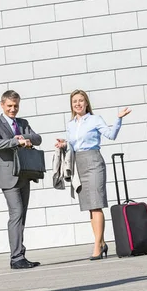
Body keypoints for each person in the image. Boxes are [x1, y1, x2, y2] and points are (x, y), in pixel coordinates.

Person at [55, 90, 131, 260]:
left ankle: (97, 245)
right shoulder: (71, 124)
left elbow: (111, 135)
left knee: (96, 204)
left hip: (94, 161)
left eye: (81, 100)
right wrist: (63, 144)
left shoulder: (95, 119)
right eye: (75, 101)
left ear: (86, 103)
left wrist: (118, 119)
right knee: (90, 206)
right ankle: (101, 243)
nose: (78, 104)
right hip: (78, 164)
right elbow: (73, 145)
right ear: (71, 105)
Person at [0, 90, 43, 269]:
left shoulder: (23, 123)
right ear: (2, 105)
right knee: (16, 213)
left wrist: (25, 138)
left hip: (24, 174)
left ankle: (20, 255)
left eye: (16, 106)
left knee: (22, 215)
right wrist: (15, 141)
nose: (13, 109)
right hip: (8, 176)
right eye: (10, 106)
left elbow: (37, 138)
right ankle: (16, 257)